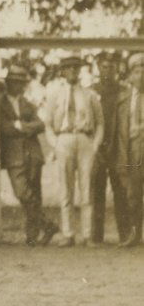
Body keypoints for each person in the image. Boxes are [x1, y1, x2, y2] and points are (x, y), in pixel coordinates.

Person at [42, 53, 104, 247]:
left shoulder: (90, 94)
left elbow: (101, 123)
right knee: (66, 190)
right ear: (62, 72)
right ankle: (68, 234)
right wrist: (55, 143)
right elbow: (48, 124)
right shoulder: (54, 95)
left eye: (76, 68)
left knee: (87, 189)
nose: (72, 72)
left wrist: (94, 146)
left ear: (79, 71)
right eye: (68, 68)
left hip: (84, 139)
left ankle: (87, 235)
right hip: (64, 139)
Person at [0, 64, 56, 246]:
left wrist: (21, 126)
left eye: (21, 83)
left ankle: (32, 236)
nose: (18, 86)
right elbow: (3, 128)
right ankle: (48, 224)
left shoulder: (27, 104)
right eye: (14, 82)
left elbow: (40, 125)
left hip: (33, 155)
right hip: (13, 156)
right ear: (7, 83)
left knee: (35, 194)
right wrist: (22, 127)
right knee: (22, 193)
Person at [91, 52, 129, 244]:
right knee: (96, 190)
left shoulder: (124, 91)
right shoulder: (91, 91)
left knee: (121, 191)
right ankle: (97, 236)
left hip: (117, 147)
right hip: (98, 146)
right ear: (98, 68)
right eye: (104, 66)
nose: (108, 70)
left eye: (111, 67)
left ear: (117, 69)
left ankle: (125, 234)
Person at [113, 52, 144, 248]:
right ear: (130, 75)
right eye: (136, 70)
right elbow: (119, 131)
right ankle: (135, 234)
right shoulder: (123, 99)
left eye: (143, 70)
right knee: (133, 194)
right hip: (132, 152)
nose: (140, 75)